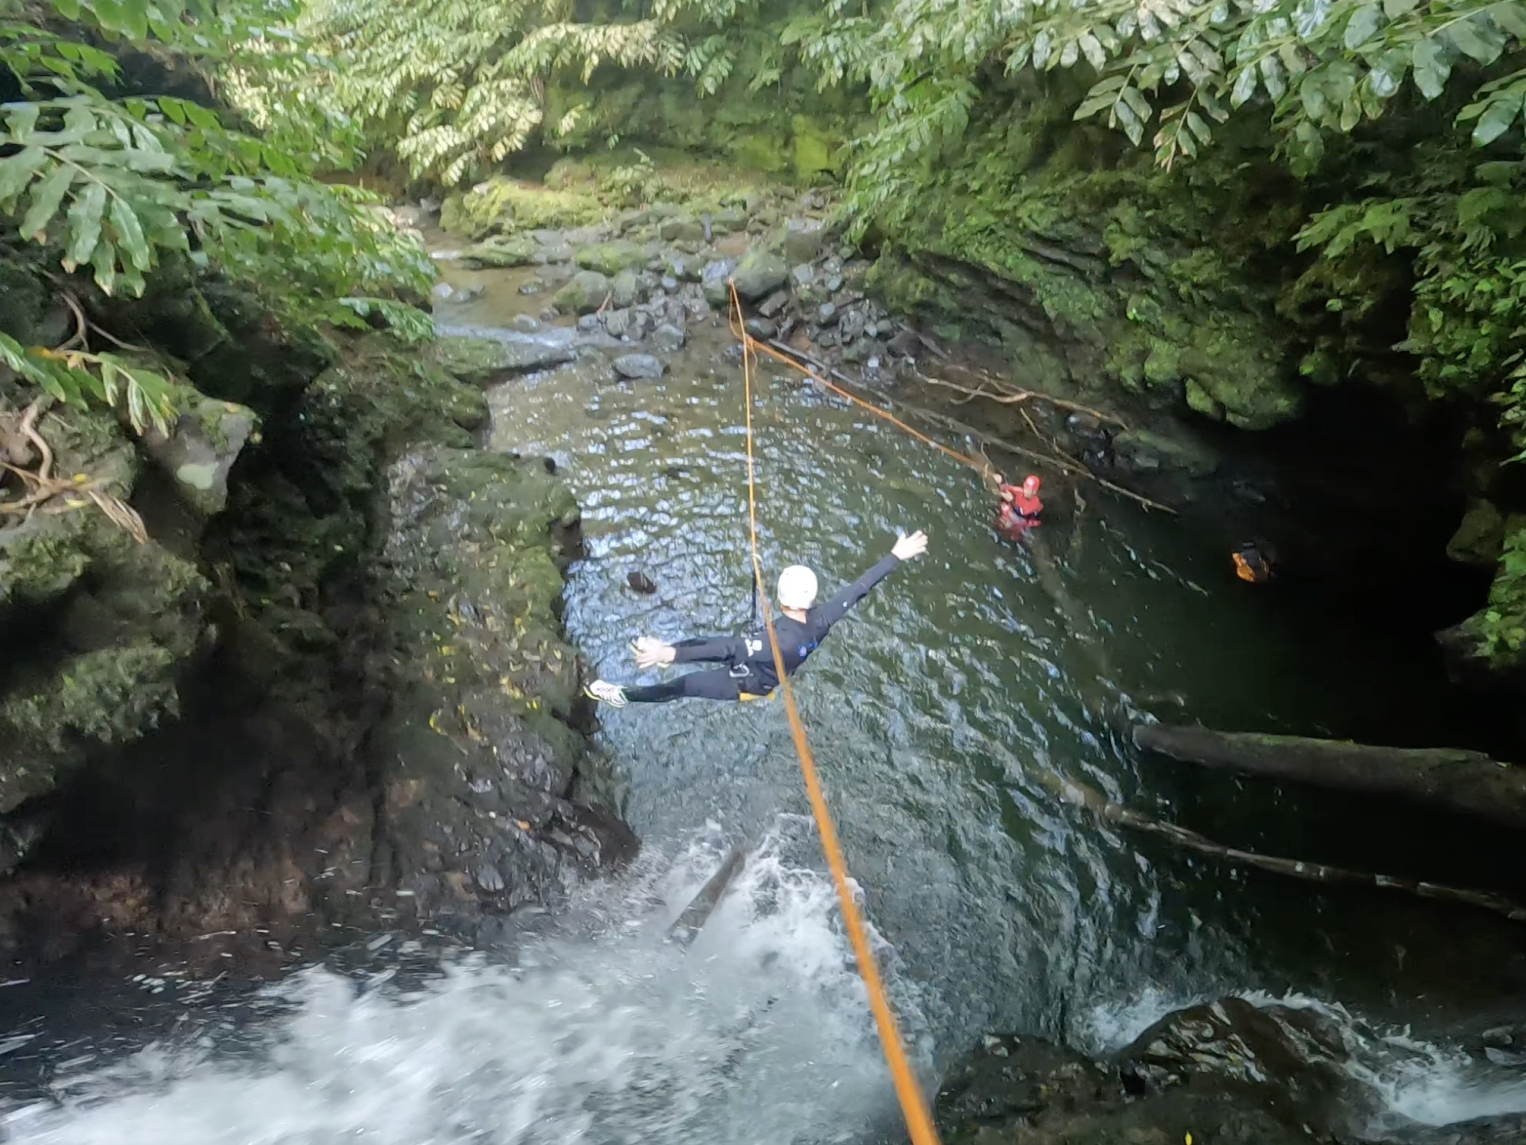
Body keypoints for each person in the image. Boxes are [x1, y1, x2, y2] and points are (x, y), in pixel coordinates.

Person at [583, 530, 930, 707]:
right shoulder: (822, 618)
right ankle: (667, 654)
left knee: (684, 685)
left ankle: (624, 696)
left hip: (748, 683)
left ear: (781, 598)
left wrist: (670, 655)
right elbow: (857, 589)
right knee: (699, 643)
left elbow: (729, 649)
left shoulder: (771, 641)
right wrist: (895, 556)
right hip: (765, 668)